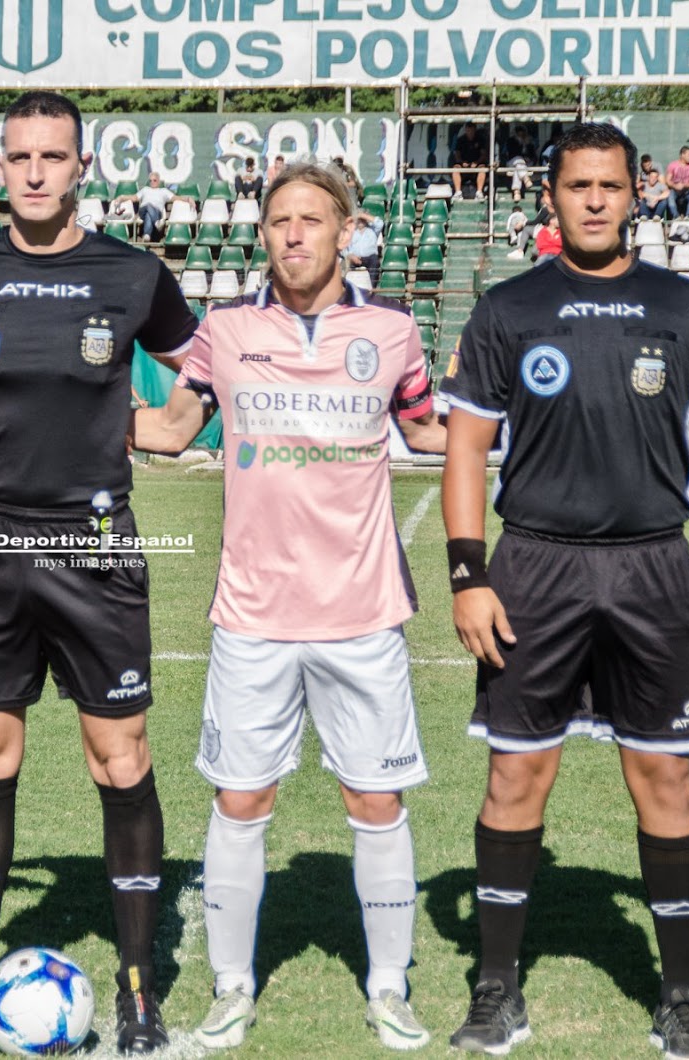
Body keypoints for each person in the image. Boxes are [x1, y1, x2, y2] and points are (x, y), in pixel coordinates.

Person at [440, 122, 689, 1059]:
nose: (594, 200)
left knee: (664, 775)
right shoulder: (508, 309)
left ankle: (682, 998)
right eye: (577, 185)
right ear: (550, 197)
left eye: (611, 186)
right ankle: (496, 990)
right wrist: (468, 573)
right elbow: (465, 448)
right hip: (533, 567)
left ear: (638, 194)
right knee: (516, 772)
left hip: (653, 567)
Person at [0, 90, 200, 1054]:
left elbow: (203, 368)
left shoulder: (134, 273)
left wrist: (160, 428)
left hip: (94, 538)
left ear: (80, 167)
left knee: (121, 756)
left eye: (51, 157)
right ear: (0, 165)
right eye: (18, 156)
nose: (33, 172)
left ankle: (139, 990)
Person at [129, 160, 446, 1053]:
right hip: (253, 615)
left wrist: (531, 421)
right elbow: (171, 431)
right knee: (240, 800)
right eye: (279, 220)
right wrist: (56, 412)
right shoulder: (226, 330)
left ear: (347, 231)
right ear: (262, 234)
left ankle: (389, 988)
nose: (294, 233)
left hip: (363, 612)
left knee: (376, 801)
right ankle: (231, 988)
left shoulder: (391, 331)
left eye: (311, 218)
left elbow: (426, 428)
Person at [115, 171, 184, 242]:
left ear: (158, 181)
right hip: (143, 210)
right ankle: (156, 223)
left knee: (148, 215)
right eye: (150, 181)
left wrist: (187, 199)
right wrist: (122, 197)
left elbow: (175, 198)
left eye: (154, 180)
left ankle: (147, 235)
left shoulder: (164, 191)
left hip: (157, 212)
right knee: (148, 205)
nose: (152, 182)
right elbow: (134, 198)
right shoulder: (145, 189)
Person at [452, 123, 489, 199]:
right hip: (463, 165)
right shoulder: (461, 140)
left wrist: (476, 162)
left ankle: (479, 192)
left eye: (471, 130)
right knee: (455, 168)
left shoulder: (480, 139)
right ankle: (458, 192)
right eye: (468, 130)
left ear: (475, 130)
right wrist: (462, 162)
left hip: (477, 164)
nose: (470, 132)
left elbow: (483, 155)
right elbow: (457, 154)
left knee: (482, 168)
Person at [346, 208, 382, 284]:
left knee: (374, 261)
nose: (360, 221)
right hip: (356, 258)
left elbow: (380, 223)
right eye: (359, 219)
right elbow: (346, 248)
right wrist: (351, 256)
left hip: (370, 258)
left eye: (362, 219)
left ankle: (372, 288)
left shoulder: (373, 230)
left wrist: (362, 215)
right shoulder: (352, 232)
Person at [666, 146, 689, 218]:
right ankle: (676, 216)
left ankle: (688, 216)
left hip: (688, 189)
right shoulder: (672, 165)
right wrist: (675, 186)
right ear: (682, 155)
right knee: (670, 198)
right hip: (675, 189)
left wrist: (684, 186)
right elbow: (668, 180)